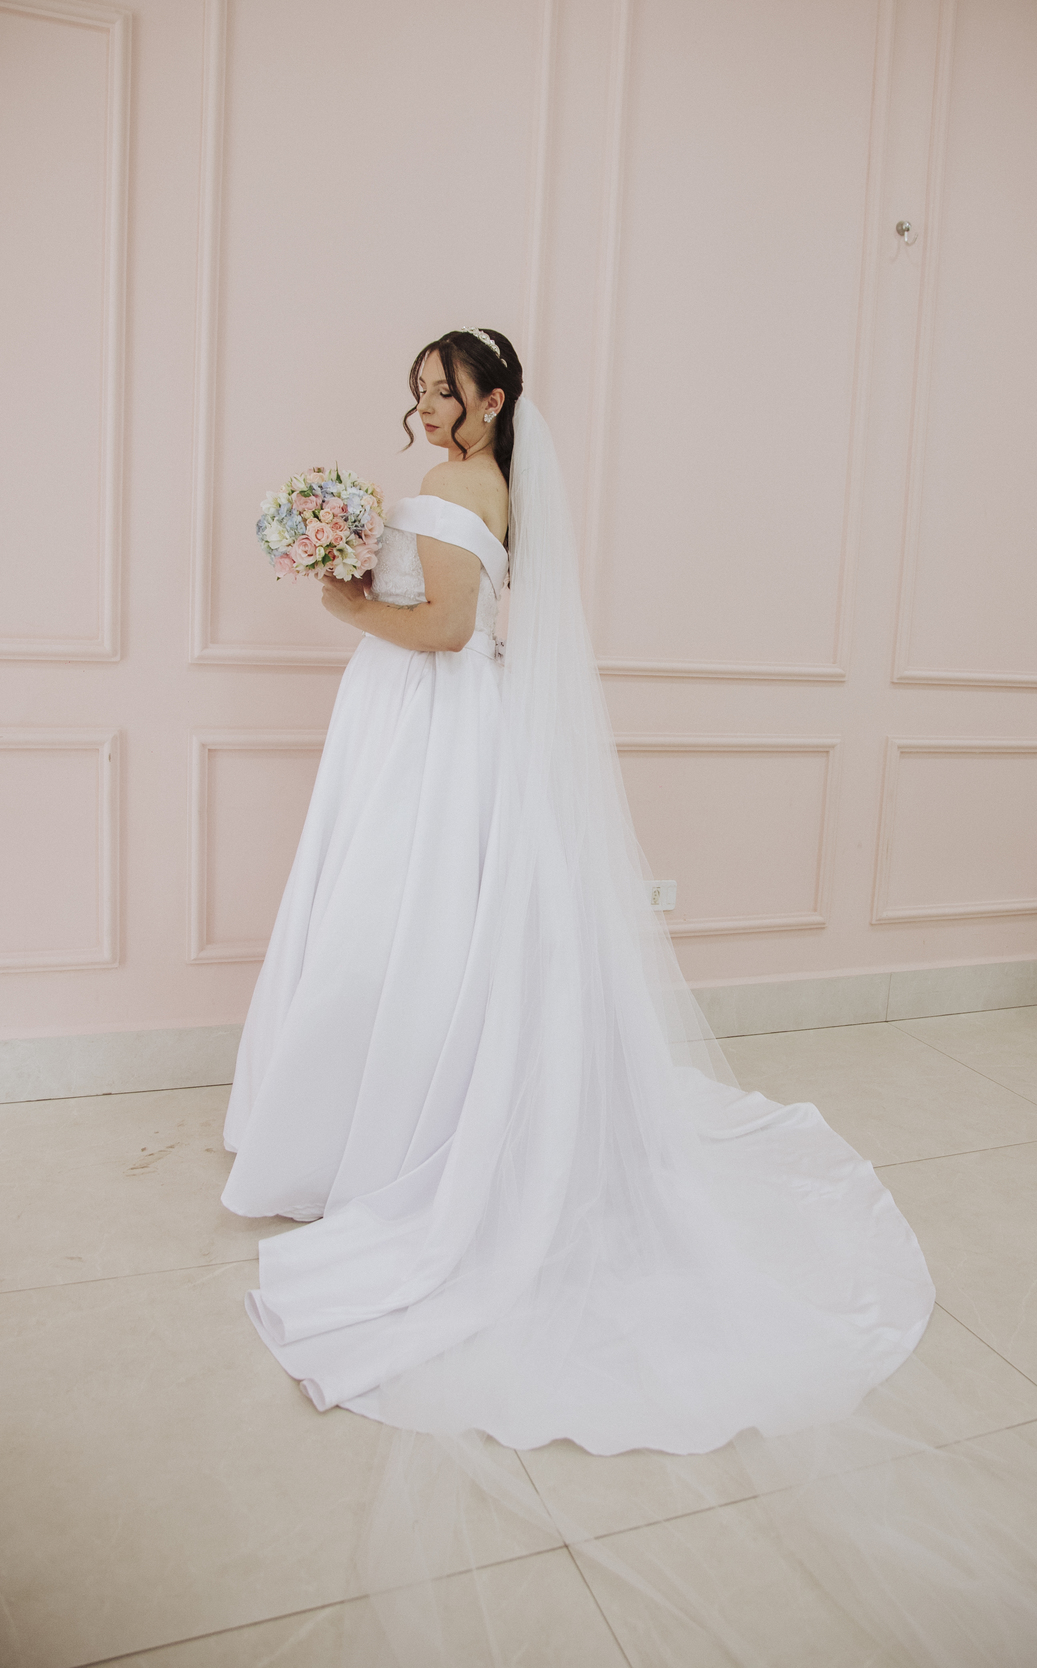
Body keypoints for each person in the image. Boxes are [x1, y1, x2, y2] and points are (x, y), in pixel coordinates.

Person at [221, 326, 934, 1450]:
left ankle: (390, 1140)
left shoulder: (466, 487)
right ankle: (365, 1126)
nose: (428, 407)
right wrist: (349, 562)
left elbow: (448, 628)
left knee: (403, 921)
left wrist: (346, 606)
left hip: (429, 721)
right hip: (408, 717)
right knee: (400, 917)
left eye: (446, 392)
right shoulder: (462, 480)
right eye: (419, 391)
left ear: (494, 400)